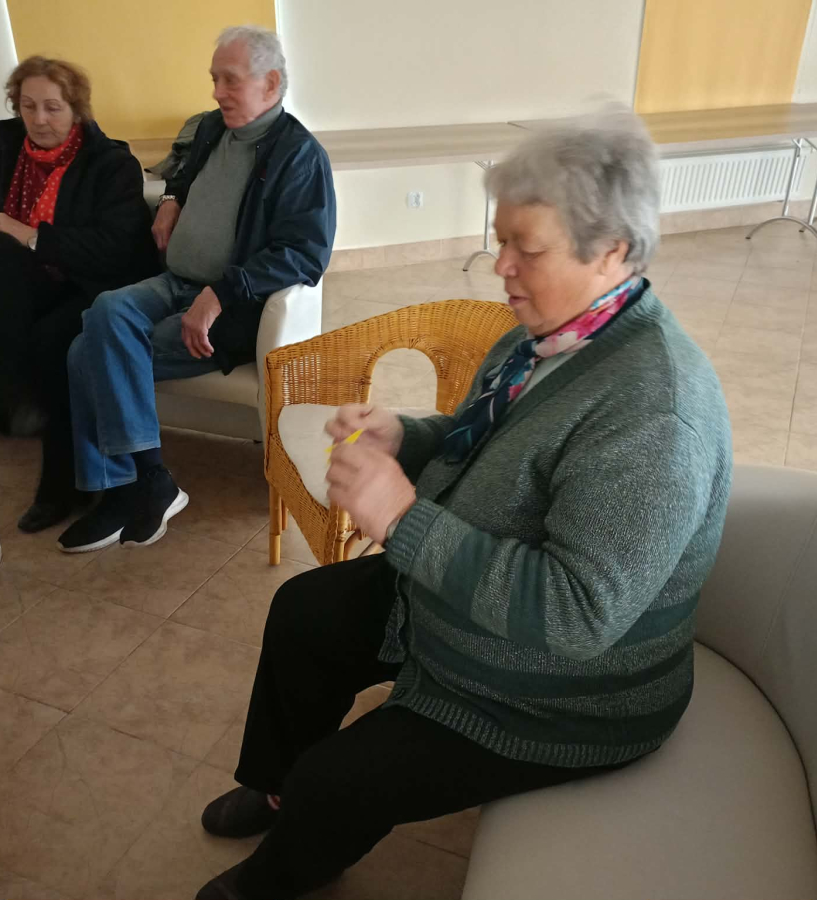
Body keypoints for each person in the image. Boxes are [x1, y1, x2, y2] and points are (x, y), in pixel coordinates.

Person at [192, 111, 734, 900]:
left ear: (612, 250)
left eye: (527, 248)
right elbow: (493, 438)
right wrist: (408, 435)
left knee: (338, 782)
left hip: (566, 695)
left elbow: (576, 616)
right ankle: (277, 791)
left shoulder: (654, 413)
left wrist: (402, 519)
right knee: (303, 613)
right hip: (467, 610)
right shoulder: (544, 335)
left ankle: (278, 875)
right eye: (500, 238)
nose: (500, 266)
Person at [57, 25, 336, 553]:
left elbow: (305, 254)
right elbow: (183, 175)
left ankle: (123, 489)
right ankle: (147, 482)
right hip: (175, 282)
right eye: (214, 79)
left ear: (271, 82)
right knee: (107, 309)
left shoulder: (299, 155)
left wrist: (221, 293)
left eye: (230, 80)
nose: (217, 92)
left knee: (82, 352)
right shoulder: (212, 127)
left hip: (231, 308)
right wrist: (169, 201)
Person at [0, 56, 158, 533]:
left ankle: (54, 479)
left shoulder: (111, 164)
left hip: (90, 288)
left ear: (77, 109)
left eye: (52, 107)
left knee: (52, 340)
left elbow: (113, 251)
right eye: (28, 106)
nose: (39, 119)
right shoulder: (3, 154)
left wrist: (29, 234)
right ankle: (11, 406)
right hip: (18, 291)